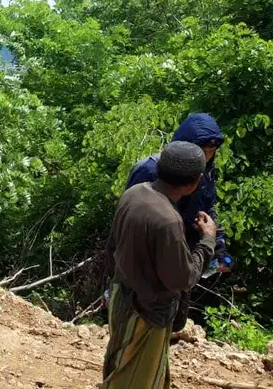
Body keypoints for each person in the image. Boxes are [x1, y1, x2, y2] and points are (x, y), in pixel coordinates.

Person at [102, 141, 217, 389]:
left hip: (122, 296)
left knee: (123, 364)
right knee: (135, 380)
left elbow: (111, 247)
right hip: (147, 310)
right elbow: (181, 278)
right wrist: (208, 240)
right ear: (194, 182)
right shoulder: (167, 220)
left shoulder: (134, 193)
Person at [125, 113, 232, 332]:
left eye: (211, 152)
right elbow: (130, 220)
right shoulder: (149, 170)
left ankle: (155, 360)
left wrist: (218, 247)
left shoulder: (205, 173)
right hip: (149, 262)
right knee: (141, 323)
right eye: (202, 151)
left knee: (173, 322)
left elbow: (207, 208)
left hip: (183, 255)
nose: (205, 157)